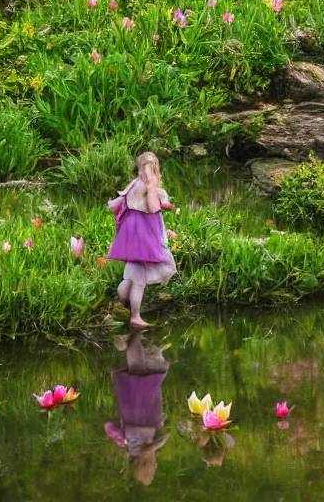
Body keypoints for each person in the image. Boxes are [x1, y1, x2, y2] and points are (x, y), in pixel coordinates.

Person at [107, 152, 178, 328]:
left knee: (132, 273)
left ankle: (120, 302)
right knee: (139, 279)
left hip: (130, 229)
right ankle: (135, 317)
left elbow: (120, 204)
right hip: (143, 230)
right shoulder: (150, 184)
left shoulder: (134, 183)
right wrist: (159, 199)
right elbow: (153, 207)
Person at [105, 331, 171, 486]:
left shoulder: (138, 450)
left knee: (138, 373)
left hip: (140, 412)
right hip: (140, 411)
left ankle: (134, 334)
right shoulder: (131, 449)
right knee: (139, 374)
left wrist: (155, 445)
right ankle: (136, 338)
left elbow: (159, 438)